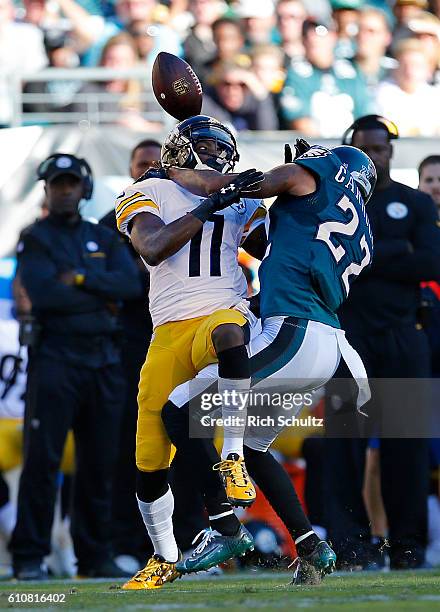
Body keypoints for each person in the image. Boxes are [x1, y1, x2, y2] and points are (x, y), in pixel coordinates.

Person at [152, 138, 375, 585]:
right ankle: (311, 547)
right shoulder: (358, 225)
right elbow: (293, 247)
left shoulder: (314, 173)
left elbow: (250, 183)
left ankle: (225, 527)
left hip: (292, 334)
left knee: (179, 410)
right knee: (254, 448)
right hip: (322, 343)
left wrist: (176, 175)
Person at [114, 115, 268, 590]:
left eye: (221, 150)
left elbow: (270, 247)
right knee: (150, 454)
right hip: (168, 331)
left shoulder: (239, 197)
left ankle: (234, 455)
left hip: (223, 309)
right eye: (205, 147)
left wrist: (301, 189)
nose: (215, 157)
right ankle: (164, 555)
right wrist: (209, 206)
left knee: (229, 331)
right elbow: (154, 246)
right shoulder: (147, 191)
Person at [9, 153, 142, 580]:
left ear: (84, 188)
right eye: (56, 184)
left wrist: (81, 280)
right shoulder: (36, 238)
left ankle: (93, 554)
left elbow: (130, 285)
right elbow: (44, 294)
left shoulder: (102, 236)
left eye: (70, 183)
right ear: (46, 190)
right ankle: (30, 556)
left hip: (104, 359)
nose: (64, 190)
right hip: (56, 359)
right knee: (42, 460)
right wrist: (98, 294)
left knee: (100, 461)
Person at [325, 114, 440, 570]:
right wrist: (398, 252)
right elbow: (330, 266)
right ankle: (352, 545)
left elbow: (432, 263)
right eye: (366, 149)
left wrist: (368, 256)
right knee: (343, 446)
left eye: (381, 149)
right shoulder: (332, 203)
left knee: (406, 447)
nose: (375, 157)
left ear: (391, 151)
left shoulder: (414, 203)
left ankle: (408, 546)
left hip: (402, 338)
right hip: (346, 339)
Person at [100, 139, 160, 569]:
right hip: (130, 346)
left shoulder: (186, 209)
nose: (149, 171)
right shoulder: (111, 221)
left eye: (156, 164)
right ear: (129, 169)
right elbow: (121, 284)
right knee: (130, 443)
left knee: (186, 441)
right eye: (141, 165)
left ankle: (189, 535)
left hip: (181, 338)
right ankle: (125, 541)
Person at [279, 17, 373, 136]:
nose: (313, 37)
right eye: (308, 33)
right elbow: (299, 119)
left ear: (333, 37)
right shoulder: (297, 74)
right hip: (318, 148)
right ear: (303, 41)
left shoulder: (350, 72)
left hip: (353, 144)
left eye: (321, 31)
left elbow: (365, 113)